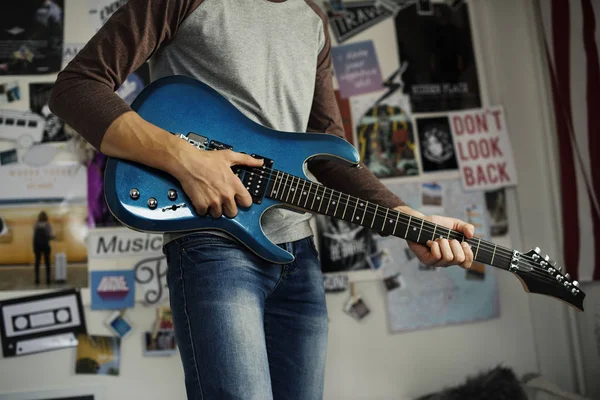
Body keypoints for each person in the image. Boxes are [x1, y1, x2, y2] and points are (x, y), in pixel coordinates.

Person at [48, 1, 476, 398]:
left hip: (297, 256)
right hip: (213, 246)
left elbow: (330, 154)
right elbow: (75, 87)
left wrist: (406, 218)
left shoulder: (311, 16)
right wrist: (188, 161)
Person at [33, 210, 54, 285]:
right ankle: (48, 279)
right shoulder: (48, 225)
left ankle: (37, 279)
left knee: (37, 263)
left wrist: (34, 247)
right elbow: (50, 235)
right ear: (46, 217)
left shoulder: (36, 224)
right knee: (47, 263)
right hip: (46, 246)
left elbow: (34, 235)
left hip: (37, 246)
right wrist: (52, 237)